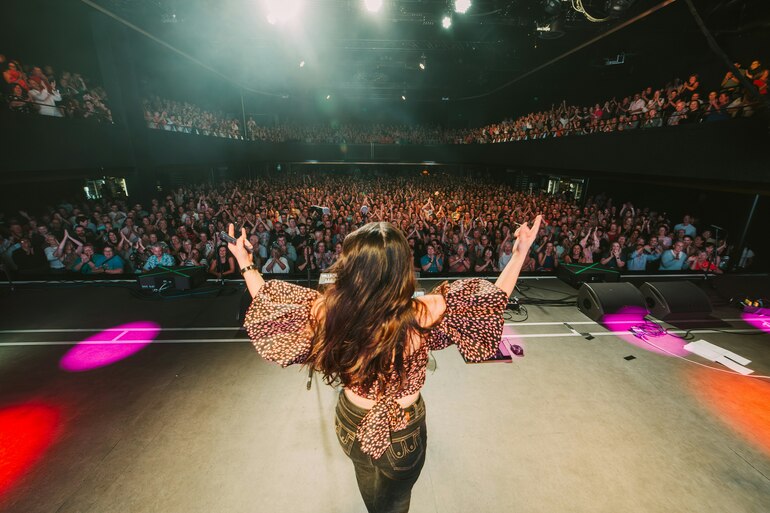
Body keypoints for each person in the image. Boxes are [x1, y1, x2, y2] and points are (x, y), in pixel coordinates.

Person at [228, 216, 542, 513]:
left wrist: (245, 262)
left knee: (372, 494)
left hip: (351, 421)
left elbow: (271, 301)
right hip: (403, 429)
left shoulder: (328, 312)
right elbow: (492, 298)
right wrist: (518, 255)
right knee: (395, 503)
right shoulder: (423, 312)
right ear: (402, 267)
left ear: (351, 266)